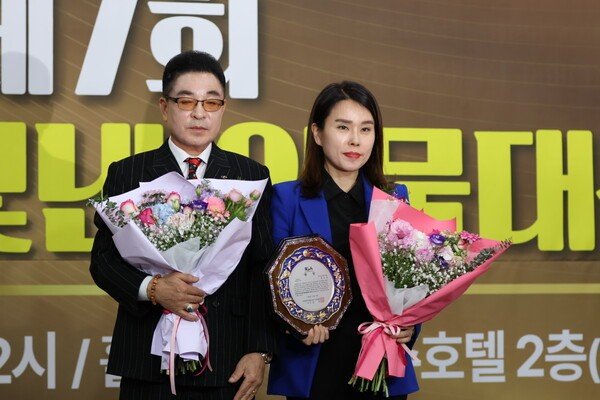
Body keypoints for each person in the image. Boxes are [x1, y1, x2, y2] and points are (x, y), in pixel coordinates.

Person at [90, 50, 275, 400]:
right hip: (146, 360)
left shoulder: (250, 176)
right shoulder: (127, 173)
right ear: (164, 107)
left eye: (212, 102)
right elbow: (103, 263)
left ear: (223, 108)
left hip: (226, 359)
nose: (200, 113)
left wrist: (260, 350)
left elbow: (261, 267)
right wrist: (153, 288)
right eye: (187, 101)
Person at [267, 81, 420, 399]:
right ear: (317, 133)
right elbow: (267, 281)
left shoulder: (394, 197)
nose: (355, 140)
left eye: (366, 129)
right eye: (342, 127)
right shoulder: (286, 198)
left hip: (380, 359)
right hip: (316, 360)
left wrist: (409, 325)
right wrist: (296, 325)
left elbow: (410, 278)